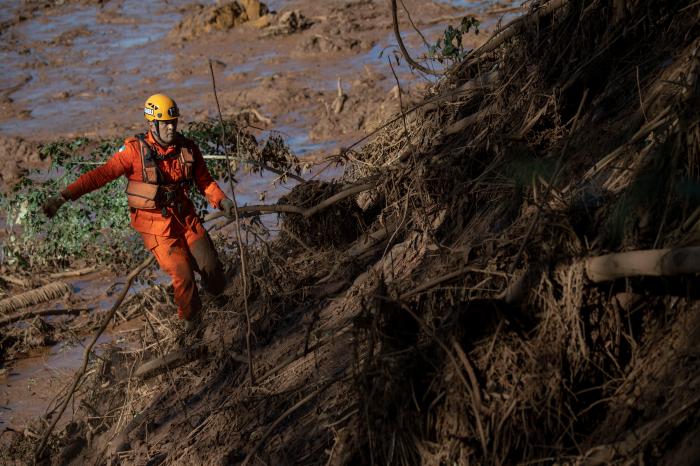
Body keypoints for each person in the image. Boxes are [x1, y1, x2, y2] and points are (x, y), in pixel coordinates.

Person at [43, 93, 235, 331]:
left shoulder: (188, 148)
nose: (170, 127)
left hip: (186, 220)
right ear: (151, 123)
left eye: (173, 122)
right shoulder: (133, 151)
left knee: (213, 271)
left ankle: (221, 311)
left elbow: (205, 182)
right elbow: (100, 175)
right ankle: (192, 330)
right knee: (183, 277)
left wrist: (222, 201)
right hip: (157, 229)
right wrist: (64, 196)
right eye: (164, 123)